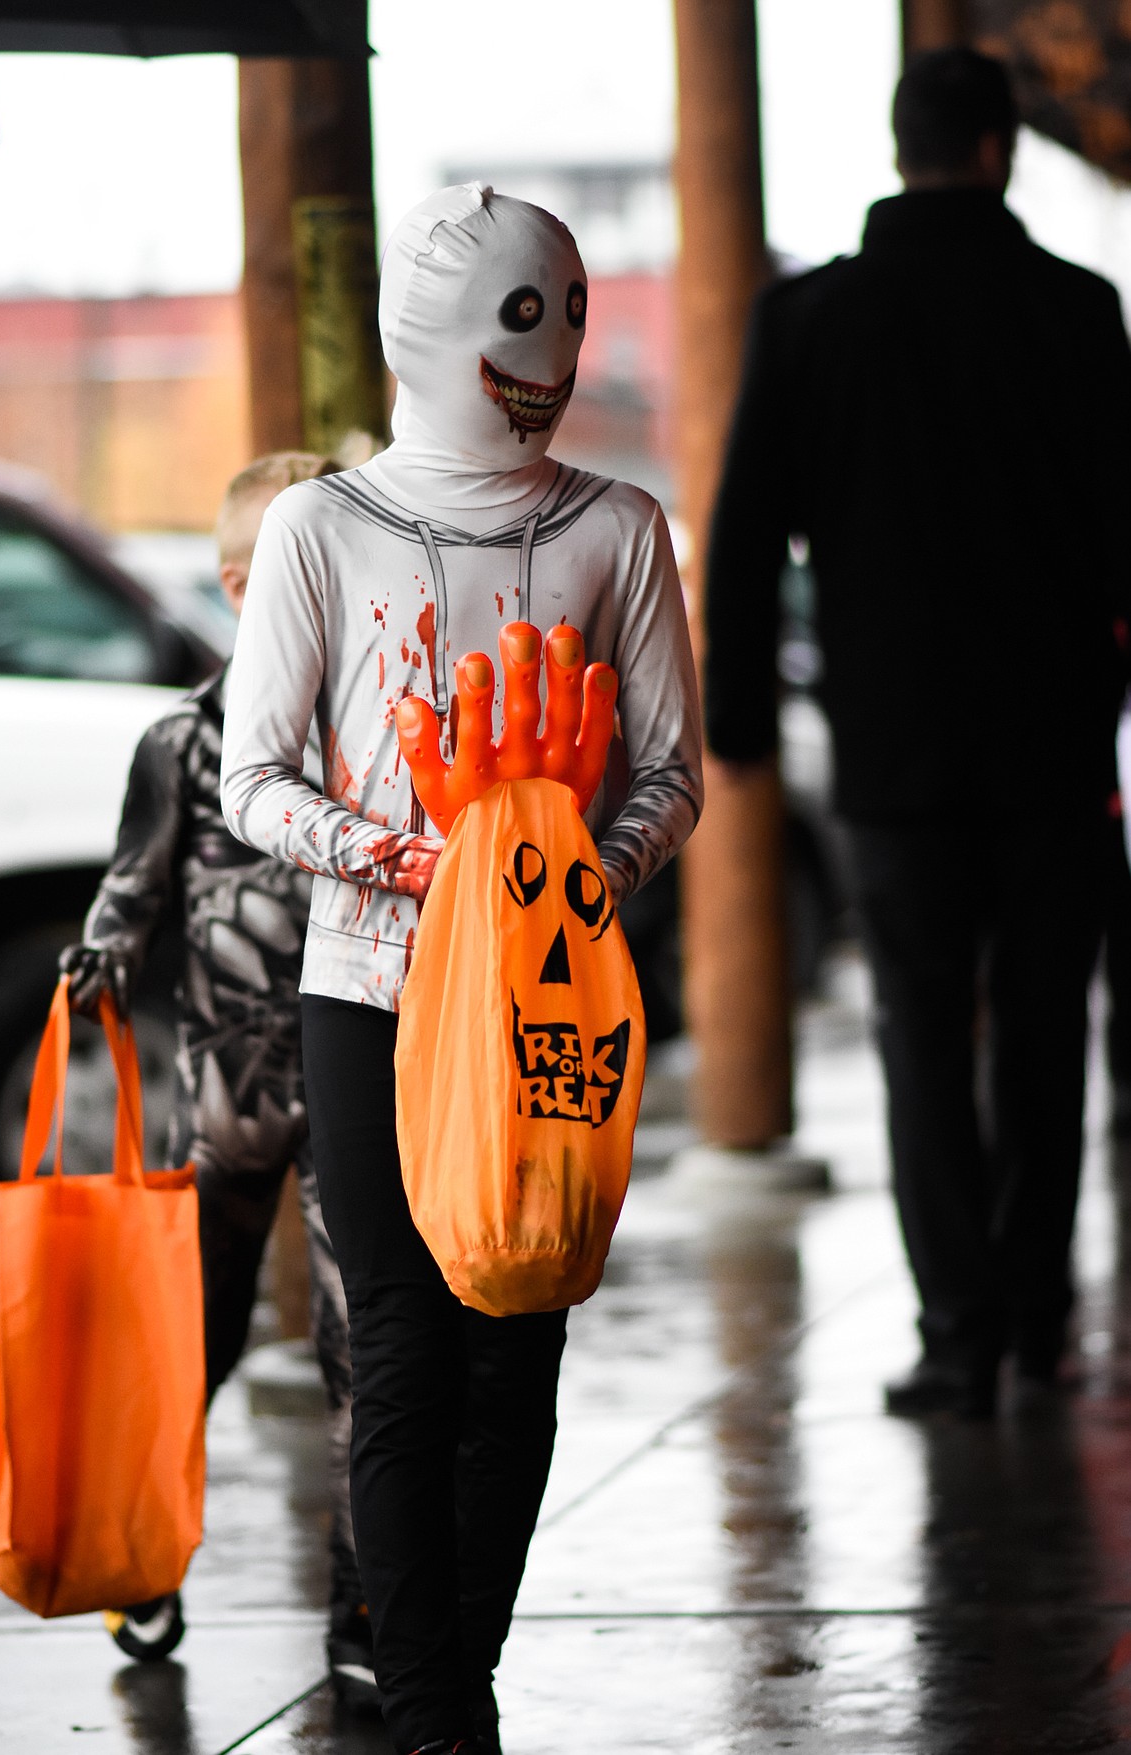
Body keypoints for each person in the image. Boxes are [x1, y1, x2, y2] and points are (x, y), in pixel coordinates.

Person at [220, 183, 703, 1755]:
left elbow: (670, 774)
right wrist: (410, 858)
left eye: (567, 313)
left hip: (548, 1004)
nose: (550, 350)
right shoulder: (318, 525)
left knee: (523, 1338)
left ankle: (455, 1669)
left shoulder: (619, 530)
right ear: (428, 333)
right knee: (410, 1354)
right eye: (518, 315)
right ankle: (438, 1715)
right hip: (367, 992)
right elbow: (255, 778)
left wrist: (572, 876)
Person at [704, 47, 1131, 1420]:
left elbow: (742, 534)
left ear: (899, 151)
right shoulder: (1076, 313)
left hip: (890, 753)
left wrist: (742, 723)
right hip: (1053, 747)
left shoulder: (809, 321)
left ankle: (955, 1329)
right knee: (1045, 1032)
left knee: (918, 1033)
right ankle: (1033, 1309)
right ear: (999, 151)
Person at [59, 452, 378, 1705]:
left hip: (356, 1085)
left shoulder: (366, 725)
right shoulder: (185, 741)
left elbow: (125, 903)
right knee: (198, 1333)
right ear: (245, 586)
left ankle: (364, 1602)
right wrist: (91, 972)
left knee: (364, 1355)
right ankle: (145, 1546)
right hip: (233, 1096)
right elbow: (130, 889)